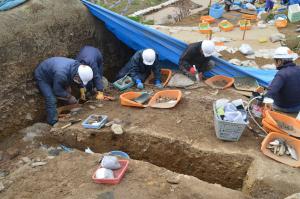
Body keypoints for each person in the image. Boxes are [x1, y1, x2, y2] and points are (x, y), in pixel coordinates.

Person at [35, 57, 93, 125]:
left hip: (56, 73)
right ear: (77, 75)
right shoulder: (61, 74)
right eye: (80, 80)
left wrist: (82, 89)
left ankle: (67, 111)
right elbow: (57, 90)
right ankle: (52, 122)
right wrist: (69, 97)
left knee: (68, 91)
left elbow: (79, 80)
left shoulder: (78, 67)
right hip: (43, 76)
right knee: (51, 99)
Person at [265, 47, 300, 113]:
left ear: (280, 61)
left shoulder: (281, 74)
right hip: (298, 105)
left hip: (284, 107)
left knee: (271, 84)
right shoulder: (298, 68)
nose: (274, 63)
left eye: (275, 60)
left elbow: (271, 92)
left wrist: (264, 99)